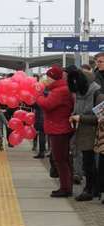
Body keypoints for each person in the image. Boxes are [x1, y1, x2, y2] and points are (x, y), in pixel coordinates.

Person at [36, 65, 74, 198]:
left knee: (60, 160)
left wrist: (38, 95)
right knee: (63, 159)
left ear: (53, 78)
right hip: (59, 127)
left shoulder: (60, 91)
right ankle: (66, 186)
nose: (46, 79)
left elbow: (47, 104)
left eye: (48, 77)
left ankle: (65, 188)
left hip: (59, 129)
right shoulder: (61, 89)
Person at [68, 69, 100, 201]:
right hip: (82, 131)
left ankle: (90, 189)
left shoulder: (96, 93)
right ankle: (91, 189)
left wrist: (79, 117)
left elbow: (99, 117)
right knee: (87, 163)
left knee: (90, 163)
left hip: (93, 132)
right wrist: (74, 116)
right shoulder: (80, 92)